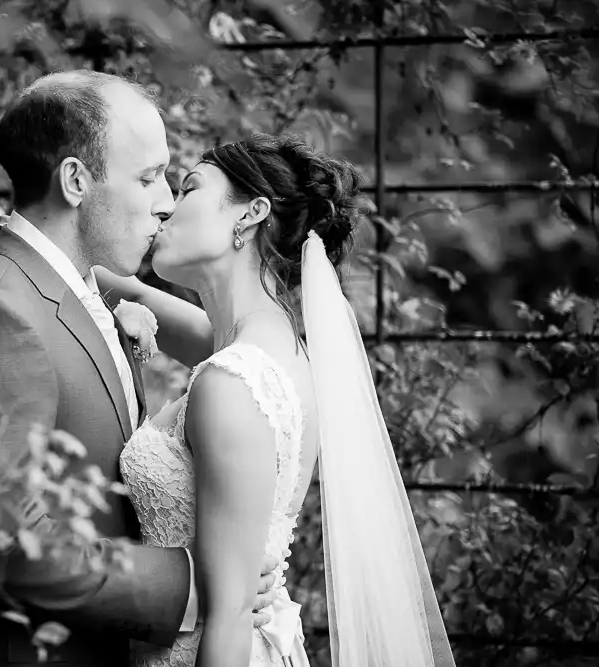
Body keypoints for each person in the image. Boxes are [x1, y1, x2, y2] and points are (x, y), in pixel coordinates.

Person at [0, 70, 282, 667]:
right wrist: (198, 583)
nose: (166, 202)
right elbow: (10, 541)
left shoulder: (84, 291)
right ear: (75, 181)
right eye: (148, 178)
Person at [110, 134, 456, 666]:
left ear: (249, 215)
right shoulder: (260, 350)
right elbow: (123, 291)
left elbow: (226, 618)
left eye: (188, 188)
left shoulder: (234, 383)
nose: (165, 208)